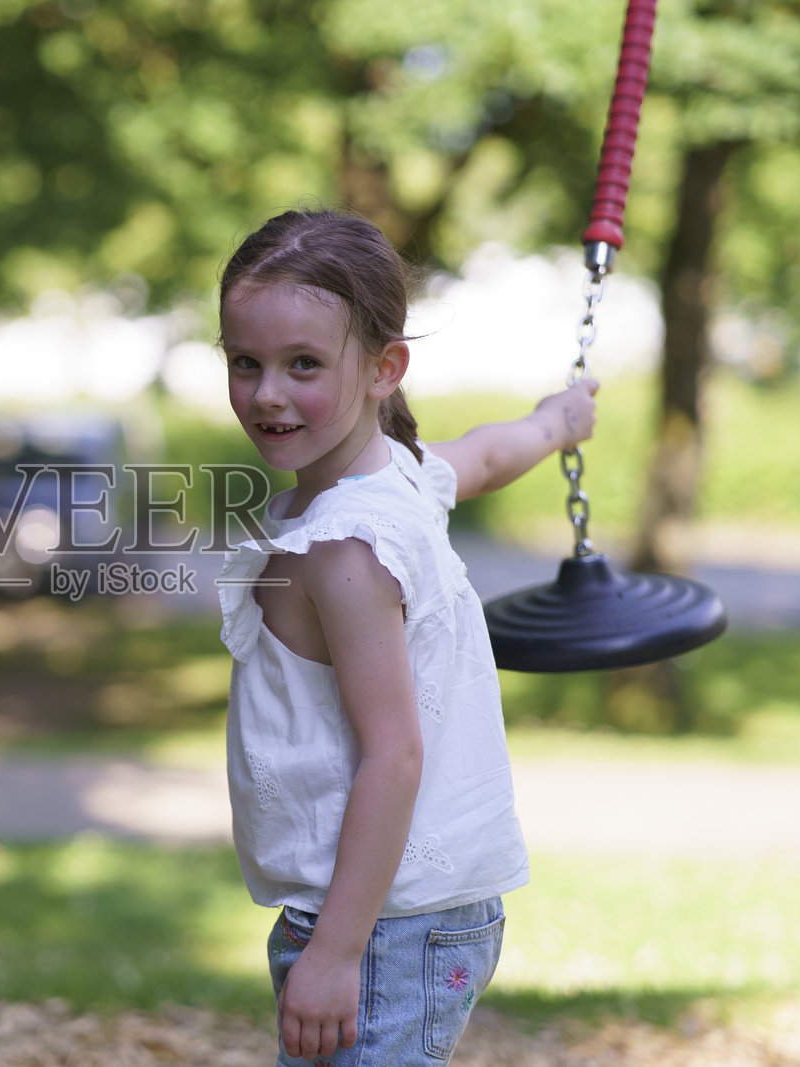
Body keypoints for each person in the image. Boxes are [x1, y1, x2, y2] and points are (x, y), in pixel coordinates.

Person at [215, 208, 599, 1066]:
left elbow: (394, 755)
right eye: (247, 362)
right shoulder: (404, 477)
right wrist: (556, 423)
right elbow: (492, 453)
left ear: (385, 368)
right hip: (398, 912)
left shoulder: (347, 546)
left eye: (303, 364)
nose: (268, 392)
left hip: (384, 926)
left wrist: (338, 952)